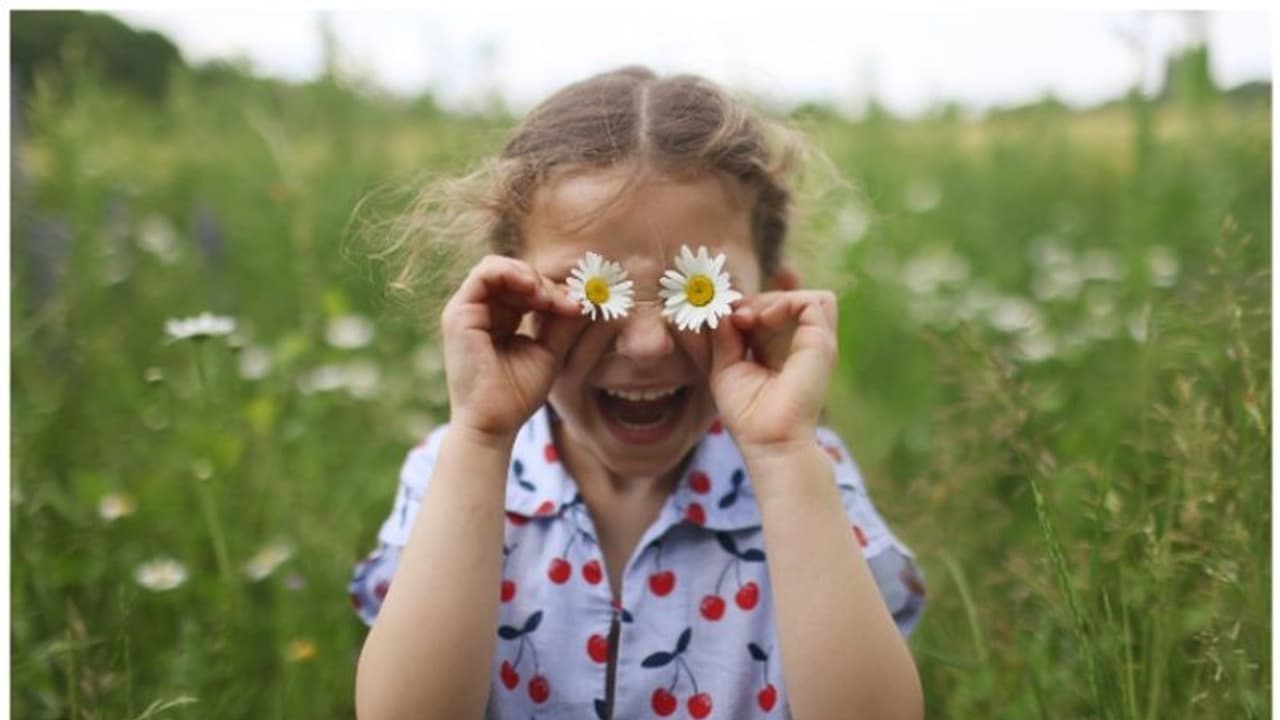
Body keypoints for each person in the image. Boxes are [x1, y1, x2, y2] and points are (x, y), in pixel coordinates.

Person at [350, 66, 926, 720]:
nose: (647, 344)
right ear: (513, 299)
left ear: (771, 304)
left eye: (697, 289)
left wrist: (781, 455)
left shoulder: (809, 478)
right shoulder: (452, 473)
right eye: (590, 291)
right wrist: (481, 437)